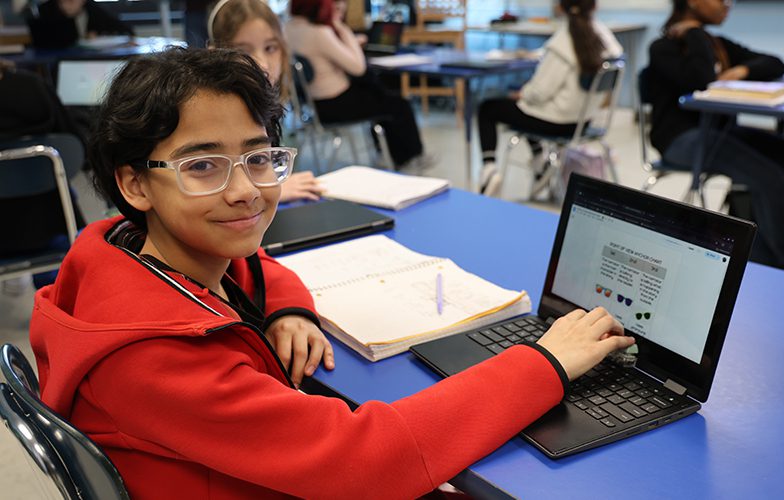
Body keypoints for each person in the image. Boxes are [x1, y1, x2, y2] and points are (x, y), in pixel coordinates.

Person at [29, 47, 633, 498]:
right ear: (135, 183)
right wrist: (544, 363)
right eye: (203, 166)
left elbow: (253, 260)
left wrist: (289, 306)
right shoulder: (153, 354)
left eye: (260, 157)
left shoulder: (122, 251)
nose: (245, 191)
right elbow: (367, 459)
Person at [648, 0, 784, 269]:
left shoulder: (716, 44)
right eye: (720, 0)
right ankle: (782, 266)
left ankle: (774, 246)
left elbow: (775, 63)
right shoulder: (664, 48)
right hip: (680, 140)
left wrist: (742, 70)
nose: (728, 5)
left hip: (720, 133)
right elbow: (701, 80)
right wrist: (694, 33)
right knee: (770, 178)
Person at [477, 0, 622, 197]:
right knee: (523, 107)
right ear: (594, 6)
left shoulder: (563, 42)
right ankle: (539, 162)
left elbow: (539, 93)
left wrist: (522, 93)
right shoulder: (605, 39)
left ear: (561, 7)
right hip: (584, 121)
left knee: (489, 107)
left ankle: (489, 170)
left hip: (556, 123)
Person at [285, 0, 432, 169]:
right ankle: (411, 159)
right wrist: (340, 27)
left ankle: (387, 155)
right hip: (336, 105)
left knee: (379, 97)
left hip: (312, 106)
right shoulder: (320, 32)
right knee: (398, 104)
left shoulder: (289, 28)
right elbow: (358, 68)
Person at [209, 0, 324, 202]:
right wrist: (274, 189)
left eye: (270, 48)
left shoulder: (269, 111)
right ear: (214, 54)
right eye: (243, 51)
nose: (261, 63)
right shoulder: (214, 117)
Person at [0, 59, 87, 260]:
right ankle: (52, 287)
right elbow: (76, 144)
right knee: (53, 168)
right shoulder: (32, 86)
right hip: (52, 224)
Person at [25, 0, 133, 49]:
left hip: (89, 61)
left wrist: (99, 34)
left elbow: (125, 29)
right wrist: (67, 15)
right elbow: (45, 41)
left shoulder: (91, 8)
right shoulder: (44, 10)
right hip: (54, 62)